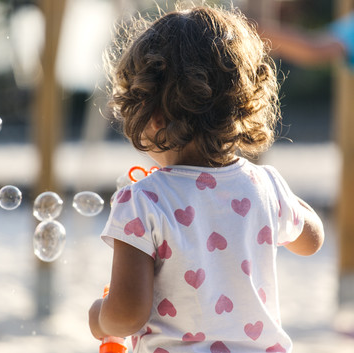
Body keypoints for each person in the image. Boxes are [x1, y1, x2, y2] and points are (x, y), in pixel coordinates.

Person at [88, 4, 325, 353]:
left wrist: (98, 316)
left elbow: (126, 316)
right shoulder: (264, 185)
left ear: (151, 115)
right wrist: (279, 197)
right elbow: (313, 240)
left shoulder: (142, 201)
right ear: (242, 104)